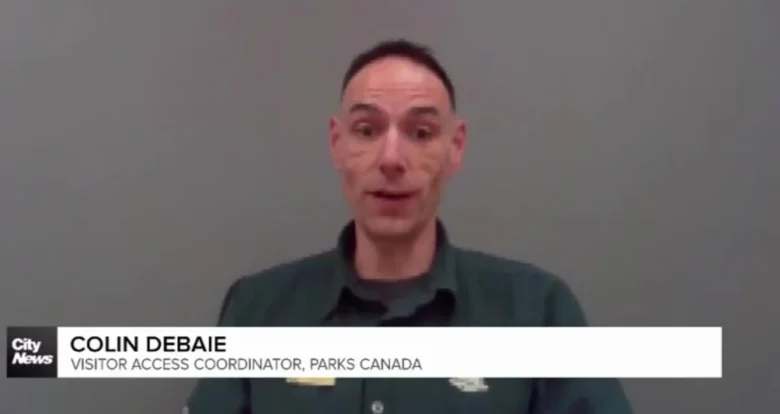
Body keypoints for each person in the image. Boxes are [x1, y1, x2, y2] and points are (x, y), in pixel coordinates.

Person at [185, 39, 633, 413]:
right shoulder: (256, 311)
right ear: (337, 144)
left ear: (455, 147)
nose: (392, 159)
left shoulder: (537, 311)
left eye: (421, 133)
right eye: (367, 130)